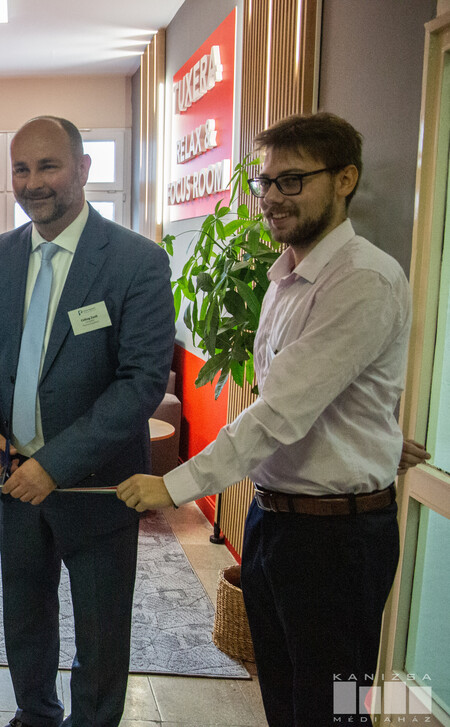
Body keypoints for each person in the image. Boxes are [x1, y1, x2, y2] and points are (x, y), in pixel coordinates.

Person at [116, 112, 410, 727]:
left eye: (293, 180)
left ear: (345, 179)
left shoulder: (362, 277)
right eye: (266, 182)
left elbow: (278, 412)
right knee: (279, 693)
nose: (272, 197)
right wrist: (376, 434)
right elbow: (316, 392)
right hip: (274, 519)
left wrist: (173, 485)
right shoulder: (284, 278)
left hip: (338, 540)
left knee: (335, 706)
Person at [0, 116, 175, 727]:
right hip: (14, 480)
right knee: (25, 617)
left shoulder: (137, 261)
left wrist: (54, 464)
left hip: (98, 485)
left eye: (48, 166)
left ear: (83, 168)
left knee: (101, 633)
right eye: (21, 169)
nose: (32, 183)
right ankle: (36, 715)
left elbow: (141, 382)